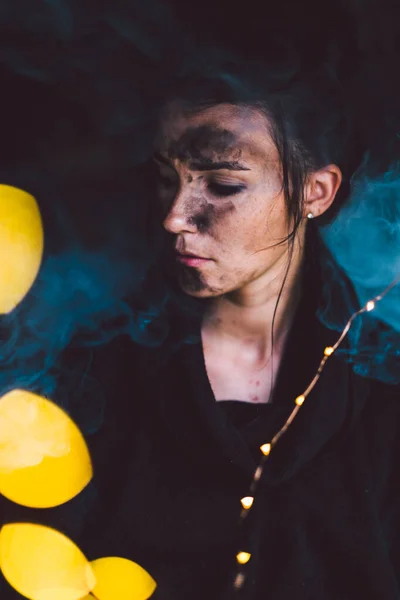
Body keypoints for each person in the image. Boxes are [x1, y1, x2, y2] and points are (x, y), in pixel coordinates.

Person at [1, 4, 400, 599]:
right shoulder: (94, 356)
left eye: (223, 184)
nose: (174, 216)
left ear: (316, 192)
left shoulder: (380, 377)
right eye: (169, 175)